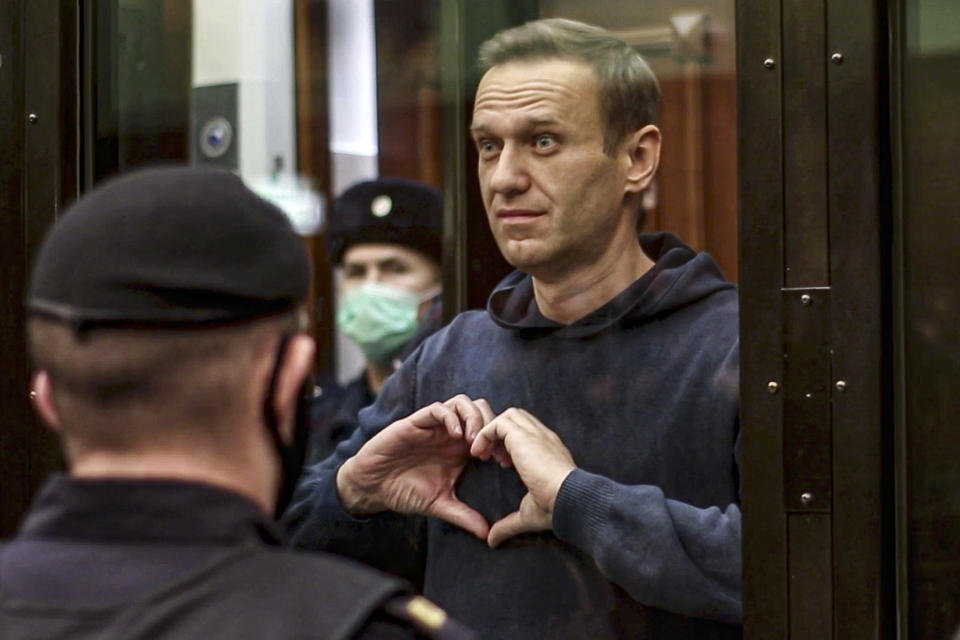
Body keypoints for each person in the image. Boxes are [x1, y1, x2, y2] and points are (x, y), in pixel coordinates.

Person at [285, 18, 741, 639]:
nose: (504, 179)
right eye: (489, 146)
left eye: (543, 141)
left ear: (637, 159)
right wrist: (352, 492)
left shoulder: (734, 347)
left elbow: (803, 564)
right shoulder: (447, 355)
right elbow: (290, 559)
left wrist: (580, 501)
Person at [0, 167, 473, 640]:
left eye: (393, 269)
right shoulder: (366, 629)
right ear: (287, 381)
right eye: (357, 271)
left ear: (48, 402)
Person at [311, 178, 444, 464]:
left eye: (395, 269)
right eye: (356, 272)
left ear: (440, 286)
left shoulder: (459, 414)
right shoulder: (319, 420)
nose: (371, 288)